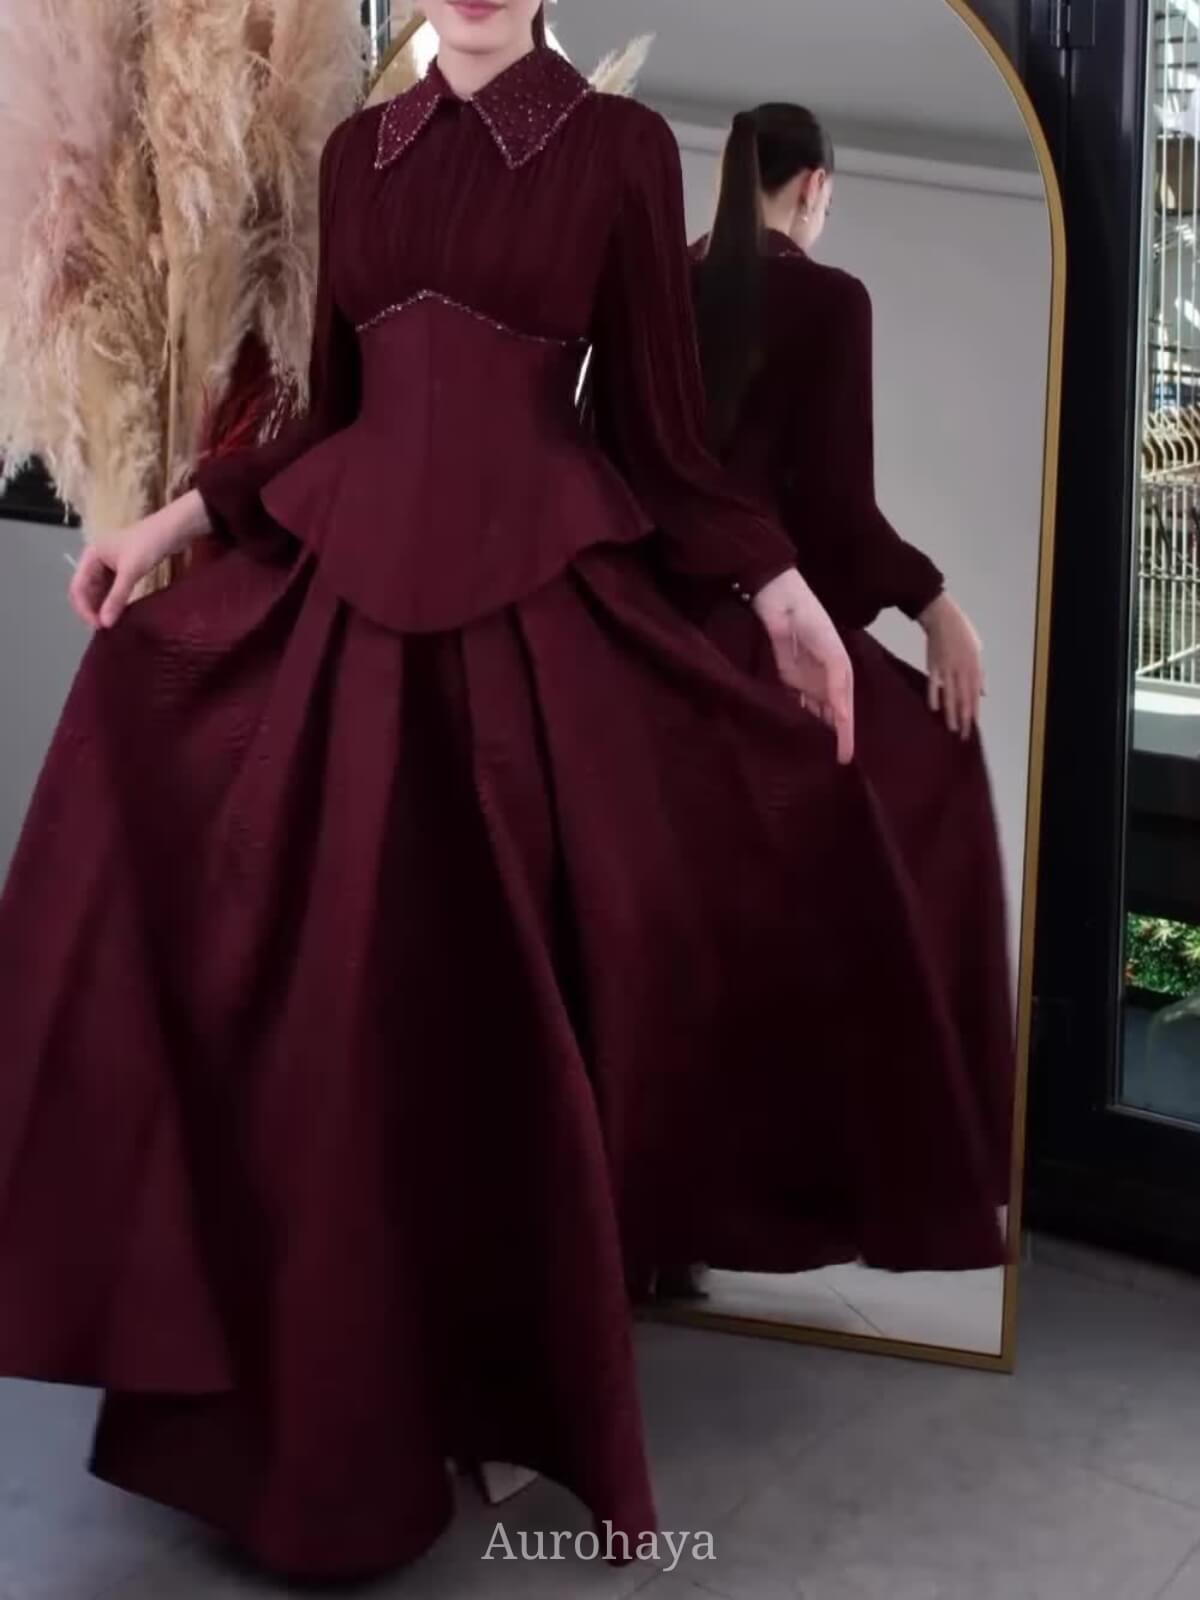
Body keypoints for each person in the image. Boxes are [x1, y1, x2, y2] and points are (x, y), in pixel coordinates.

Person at [0, 14, 1004, 1582]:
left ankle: (502, 1387)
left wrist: (789, 599)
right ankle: (335, 1429)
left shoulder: (617, 150)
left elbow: (661, 444)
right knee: (330, 1026)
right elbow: (325, 421)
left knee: (504, 1029)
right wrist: (165, 527)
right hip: (348, 632)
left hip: (533, 637)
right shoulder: (358, 155)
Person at [690, 103, 1015, 1202]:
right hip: (766, 642)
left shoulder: (663, 286)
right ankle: (897, 1158)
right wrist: (936, 605)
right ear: (816, 186)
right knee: (935, 781)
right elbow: (836, 516)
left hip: (650, 636)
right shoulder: (830, 301)